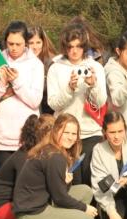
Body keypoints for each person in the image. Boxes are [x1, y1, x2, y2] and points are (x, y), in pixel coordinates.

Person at [13, 113, 97, 219]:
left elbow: (57, 191)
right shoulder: (55, 156)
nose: (70, 137)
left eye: (74, 133)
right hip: (31, 213)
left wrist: (66, 182)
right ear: (57, 131)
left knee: (85, 191)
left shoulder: (52, 150)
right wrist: (85, 208)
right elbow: (60, 198)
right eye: (66, 132)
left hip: (40, 203)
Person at [47, 22, 107, 186]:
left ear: (84, 47)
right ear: (65, 47)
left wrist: (92, 85)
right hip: (65, 134)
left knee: (90, 180)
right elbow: (53, 104)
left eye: (78, 46)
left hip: (90, 132)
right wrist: (69, 88)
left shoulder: (95, 67)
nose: (74, 50)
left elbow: (101, 102)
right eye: (70, 46)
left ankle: (93, 211)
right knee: (69, 182)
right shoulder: (55, 68)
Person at [0, 113, 54, 219]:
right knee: (40, 218)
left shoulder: (32, 153)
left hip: (6, 206)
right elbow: (25, 196)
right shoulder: (25, 158)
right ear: (44, 135)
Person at [0, 21, 44, 166]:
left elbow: (35, 101)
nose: (13, 48)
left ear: (26, 43)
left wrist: (16, 82)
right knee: (5, 184)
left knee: (25, 184)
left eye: (18, 44)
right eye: (10, 43)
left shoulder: (36, 65)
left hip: (28, 137)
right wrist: (2, 84)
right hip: (3, 138)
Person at [28, 26, 57, 114]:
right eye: (31, 43)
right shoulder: (22, 61)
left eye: (38, 42)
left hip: (46, 111)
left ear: (43, 43)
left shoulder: (51, 63)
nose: (35, 47)